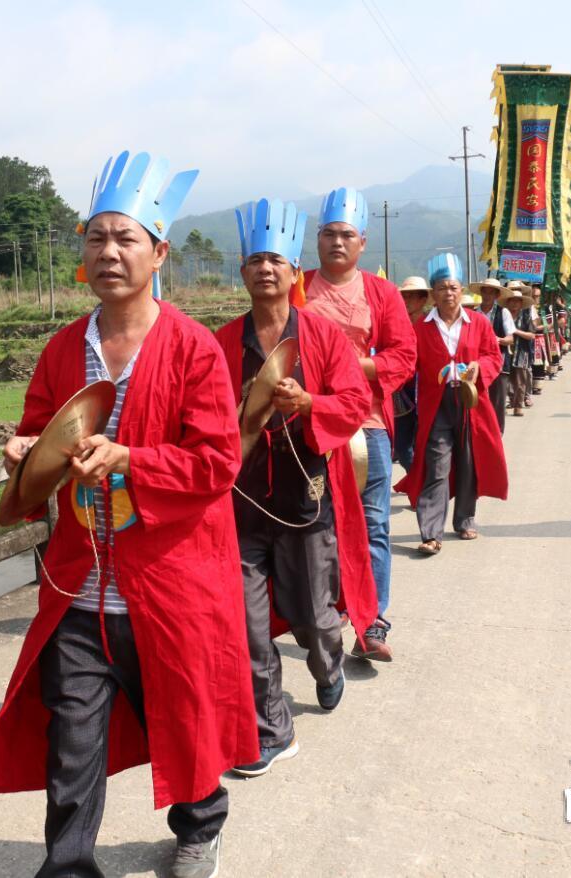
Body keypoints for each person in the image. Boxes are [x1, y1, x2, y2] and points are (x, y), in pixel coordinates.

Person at [0, 151, 256, 878]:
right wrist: (25, 448)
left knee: (179, 718)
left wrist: (130, 460)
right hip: (78, 582)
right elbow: (40, 428)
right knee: (73, 739)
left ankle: (201, 824)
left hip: (170, 580)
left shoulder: (192, 348)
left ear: (159, 253)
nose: (109, 252)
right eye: (96, 238)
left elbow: (217, 462)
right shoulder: (64, 349)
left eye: (125, 238)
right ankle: (67, 866)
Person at [213, 198, 376, 776]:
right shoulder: (221, 342)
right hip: (240, 503)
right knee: (248, 625)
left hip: (307, 502)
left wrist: (311, 403)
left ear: (292, 270)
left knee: (312, 613)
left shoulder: (324, 338)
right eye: (254, 260)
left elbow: (357, 401)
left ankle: (327, 665)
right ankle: (269, 728)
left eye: (275, 260)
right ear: (243, 273)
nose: (265, 269)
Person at [300, 187, 417, 661]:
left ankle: (373, 622)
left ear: (362, 242)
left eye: (347, 234)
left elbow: (403, 356)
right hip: (307, 425)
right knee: (314, 524)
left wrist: (347, 367)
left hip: (365, 427)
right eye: (329, 233)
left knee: (373, 524)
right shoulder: (298, 287)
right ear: (318, 238)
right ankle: (326, 613)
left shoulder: (381, 293)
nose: (337, 242)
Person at [396, 254, 508, 554]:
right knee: (437, 466)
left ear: (461, 291)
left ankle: (465, 519)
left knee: (469, 463)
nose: (448, 292)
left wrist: (479, 367)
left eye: (453, 287)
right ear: (433, 293)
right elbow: (407, 364)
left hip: (470, 402)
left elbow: (494, 356)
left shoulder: (480, 323)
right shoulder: (421, 329)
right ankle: (431, 532)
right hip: (436, 406)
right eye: (442, 287)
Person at [393, 277, 430, 471]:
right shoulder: (395, 324)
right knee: (402, 444)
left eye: (411, 297)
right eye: (403, 296)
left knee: (424, 443)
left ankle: (423, 488)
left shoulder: (432, 325)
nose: (406, 301)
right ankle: (418, 481)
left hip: (427, 390)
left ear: (423, 300)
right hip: (402, 393)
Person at [471, 277, 513, 433]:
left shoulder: (503, 313)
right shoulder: (473, 313)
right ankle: (480, 432)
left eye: (491, 293)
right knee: (477, 399)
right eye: (485, 291)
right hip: (476, 364)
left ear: (497, 295)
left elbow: (511, 338)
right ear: (481, 293)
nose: (487, 295)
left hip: (499, 363)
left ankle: (497, 433)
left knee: (497, 401)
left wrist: (498, 340)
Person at [501, 285, 536, 417]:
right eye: (512, 300)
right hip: (504, 351)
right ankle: (507, 402)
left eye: (517, 301)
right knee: (503, 380)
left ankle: (518, 405)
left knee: (520, 381)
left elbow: (531, 335)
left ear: (521, 303)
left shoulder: (526, 316)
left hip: (521, 352)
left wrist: (515, 331)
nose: (514, 303)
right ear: (507, 302)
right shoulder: (502, 315)